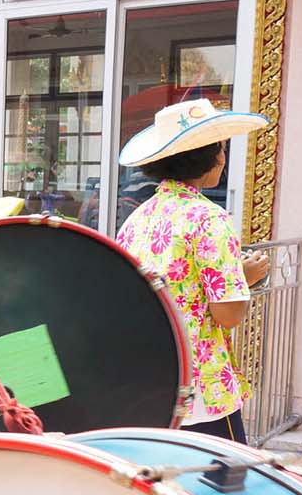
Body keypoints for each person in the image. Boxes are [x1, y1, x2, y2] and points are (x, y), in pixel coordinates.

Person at [116, 99, 271, 442]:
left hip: (149, 375)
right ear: (213, 157)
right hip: (199, 382)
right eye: (221, 148)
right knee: (225, 470)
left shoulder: (138, 218)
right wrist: (245, 278)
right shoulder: (210, 218)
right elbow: (228, 314)